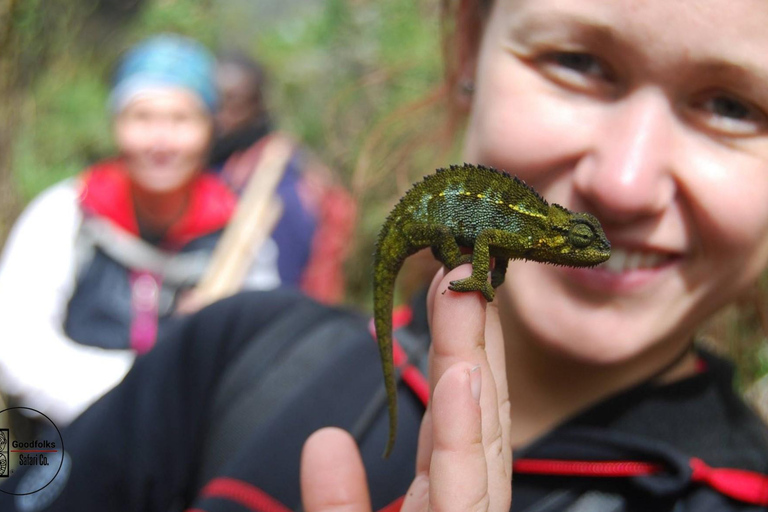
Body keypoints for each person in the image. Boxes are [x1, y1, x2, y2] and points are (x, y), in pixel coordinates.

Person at [2, 0, 768, 510]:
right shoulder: (233, 356)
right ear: (468, 47)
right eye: (578, 61)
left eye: (736, 108)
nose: (625, 184)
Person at [0, 34, 280, 426]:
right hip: (67, 444)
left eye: (182, 119)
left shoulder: (238, 234)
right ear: (116, 123)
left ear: (211, 127)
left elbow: (257, 360)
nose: (161, 141)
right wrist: (146, 390)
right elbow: (19, 354)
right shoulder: (67, 214)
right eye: (142, 118)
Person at [211, 51, 356, 304]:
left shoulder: (280, 178)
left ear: (257, 107)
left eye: (234, 104)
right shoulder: (217, 164)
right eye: (213, 103)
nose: (221, 116)